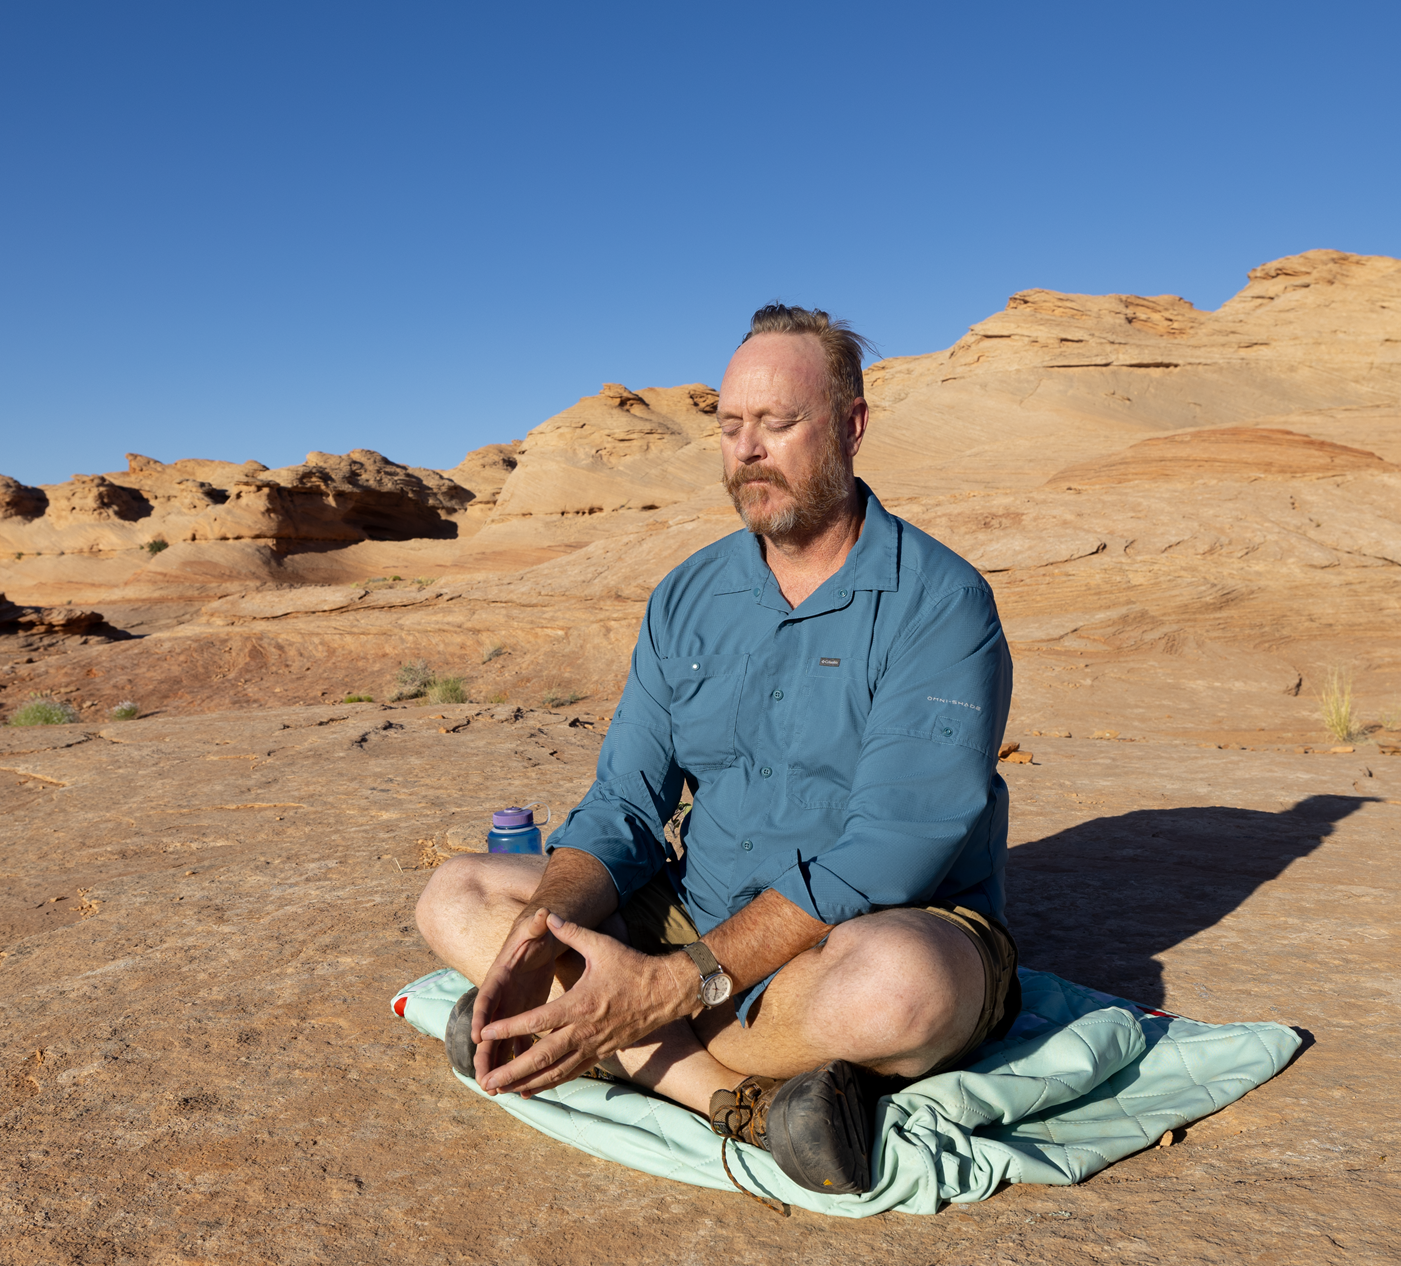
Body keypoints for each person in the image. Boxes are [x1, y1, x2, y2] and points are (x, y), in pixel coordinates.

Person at [416, 304, 1017, 1195]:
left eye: (778, 424)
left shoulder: (941, 604)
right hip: (699, 913)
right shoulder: (688, 596)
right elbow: (624, 801)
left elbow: (890, 849)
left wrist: (674, 986)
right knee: (457, 894)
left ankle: (588, 1033)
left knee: (902, 989)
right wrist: (544, 935)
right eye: (730, 426)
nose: (747, 450)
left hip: (858, 935)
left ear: (851, 427)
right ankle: (738, 1101)